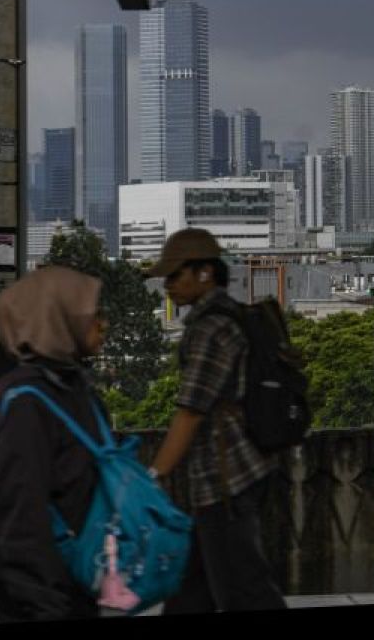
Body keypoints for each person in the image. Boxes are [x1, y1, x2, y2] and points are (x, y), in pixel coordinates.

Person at [146, 228, 287, 613]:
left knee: (243, 593)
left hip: (225, 481)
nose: (168, 285)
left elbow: (190, 411)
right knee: (191, 594)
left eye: (175, 275)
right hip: (223, 478)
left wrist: (153, 477)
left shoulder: (212, 328)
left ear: (205, 273)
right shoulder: (224, 318)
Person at [0, 266, 109, 622]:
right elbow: (21, 511)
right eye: (93, 314)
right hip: (43, 596)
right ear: (57, 317)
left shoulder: (73, 386)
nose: (104, 324)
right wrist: (44, 600)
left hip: (78, 581)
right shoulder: (27, 400)